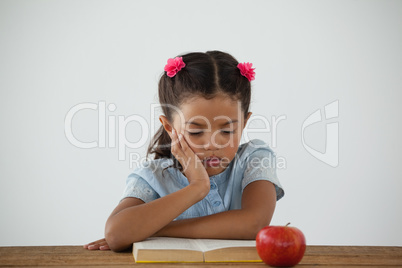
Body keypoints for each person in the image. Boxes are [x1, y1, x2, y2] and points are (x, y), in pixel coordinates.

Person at [84, 50, 284, 252]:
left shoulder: (254, 158)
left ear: (244, 123)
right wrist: (197, 186)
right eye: (196, 132)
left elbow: (254, 224)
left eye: (227, 130)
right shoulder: (155, 175)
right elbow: (116, 234)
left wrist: (156, 229)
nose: (212, 144)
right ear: (169, 128)